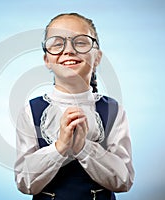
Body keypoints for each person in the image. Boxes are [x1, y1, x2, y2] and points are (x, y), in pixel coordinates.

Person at [14, 12, 134, 200]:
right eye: (57, 43)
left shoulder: (113, 110)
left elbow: (124, 180)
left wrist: (83, 147)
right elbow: (24, 182)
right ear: (47, 60)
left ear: (97, 58)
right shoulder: (31, 111)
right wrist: (60, 147)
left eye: (80, 42)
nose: (68, 50)